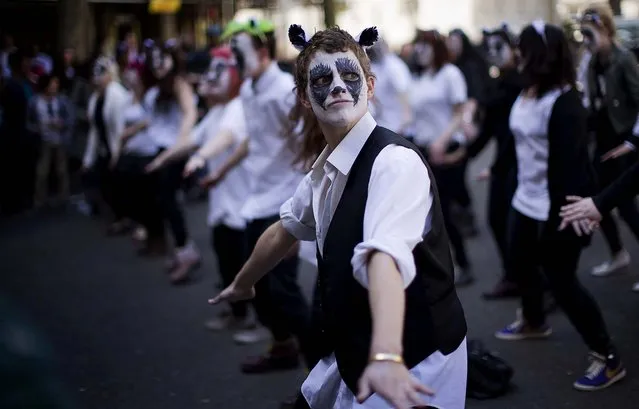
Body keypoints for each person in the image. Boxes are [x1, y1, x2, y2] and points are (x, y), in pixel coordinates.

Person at [211, 25, 468, 409]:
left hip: (414, 365)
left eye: (349, 76)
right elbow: (285, 228)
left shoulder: (394, 163)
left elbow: (384, 258)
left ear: (370, 84)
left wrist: (385, 355)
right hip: (351, 353)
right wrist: (244, 283)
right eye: (321, 78)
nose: (336, 87)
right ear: (302, 97)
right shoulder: (325, 169)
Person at [494, 20, 625, 391]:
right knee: (519, 261)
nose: (516, 53)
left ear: (540, 55)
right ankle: (534, 320)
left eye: (523, 48)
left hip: (557, 203)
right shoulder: (527, 90)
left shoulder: (565, 103)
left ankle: (608, 356)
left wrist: (571, 216)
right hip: (525, 198)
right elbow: (513, 140)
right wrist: (495, 168)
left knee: (561, 279)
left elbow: (571, 170)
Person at [407, 29, 473, 286]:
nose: (420, 51)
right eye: (418, 46)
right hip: (423, 150)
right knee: (428, 213)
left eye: (426, 46)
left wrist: (442, 140)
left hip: (445, 150)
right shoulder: (420, 78)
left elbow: (460, 112)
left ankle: (463, 263)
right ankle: (440, 265)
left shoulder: (450, 74)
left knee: (443, 211)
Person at [579, 4, 639, 277]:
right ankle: (618, 253)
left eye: (590, 34)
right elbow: (591, 102)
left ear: (604, 29)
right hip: (602, 139)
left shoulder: (624, 59)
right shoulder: (591, 63)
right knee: (598, 199)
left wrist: (632, 141)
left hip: (623, 139)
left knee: (626, 205)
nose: (586, 41)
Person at [466, 24, 523, 299]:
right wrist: (463, 155)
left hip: (519, 164)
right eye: (490, 49)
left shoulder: (522, 84)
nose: (494, 54)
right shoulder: (500, 82)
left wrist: (497, 164)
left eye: (499, 47)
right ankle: (514, 274)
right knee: (497, 219)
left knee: (517, 225)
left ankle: (532, 282)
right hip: (503, 162)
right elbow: (489, 128)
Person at [143, 40, 201, 282]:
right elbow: (151, 119)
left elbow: (190, 113)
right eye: (153, 59)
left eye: (162, 58)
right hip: (160, 149)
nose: (157, 64)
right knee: (162, 202)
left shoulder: (178, 83)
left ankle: (186, 250)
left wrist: (182, 140)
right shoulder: (159, 86)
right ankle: (180, 249)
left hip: (174, 152)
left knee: (169, 201)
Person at [559, 159, 639, 290]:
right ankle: (618, 253)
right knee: (602, 203)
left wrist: (631, 142)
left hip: (623, 156)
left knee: (627, 210)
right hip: (605, 153)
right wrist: (601, 203)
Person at [82, 57, 130, 230]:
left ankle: (123, 218)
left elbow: (120, 128)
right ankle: (118, 216)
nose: (97, 79)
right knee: (106, 183)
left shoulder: (117, 95)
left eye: (101, 74)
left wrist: (117, 153)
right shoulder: (95, 98)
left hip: (117, 147)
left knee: (119, 184)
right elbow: (95, 129)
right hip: (104, 148)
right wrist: (88, 159)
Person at [30, 74, 74, 208]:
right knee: (42, 171)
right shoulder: (35, 102)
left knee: (62, 170)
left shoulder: (62, 100)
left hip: (59, 139)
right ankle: (39, 199)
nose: (55, 86)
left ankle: (64, 197)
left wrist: (62, 124)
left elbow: (70, 119)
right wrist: (36, 128)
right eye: (52, 84)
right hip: (44, 139)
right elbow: (29, 121)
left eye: (56, 84)